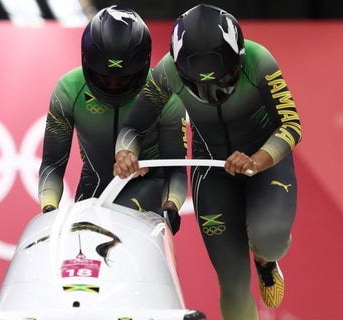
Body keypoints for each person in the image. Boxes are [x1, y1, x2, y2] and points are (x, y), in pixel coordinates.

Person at [113, 4, 301, 319]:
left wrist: (257, 160)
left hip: (263, 160)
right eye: (198, 85)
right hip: (212, 168)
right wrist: (125, 153)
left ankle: (266, 261)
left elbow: (291, 125)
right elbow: (133, 127)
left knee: (269, 238)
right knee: (233, 282)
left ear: (239, 58)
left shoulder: (260, 62)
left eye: (225, 79)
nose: (213, 92)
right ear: (179, 68)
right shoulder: (166, 72)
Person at [38, 5, 188, 234]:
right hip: (94, 186)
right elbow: (52, 164)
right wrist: (49, 211)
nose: (114, 85)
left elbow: (175, 169)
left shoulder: (163, 93)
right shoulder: (68, 90)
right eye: (104, 78)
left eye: (123, 79)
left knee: (118, 227)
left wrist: (170, 207)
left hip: (147, 186)